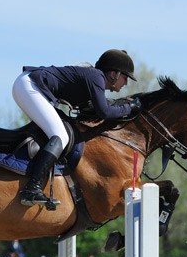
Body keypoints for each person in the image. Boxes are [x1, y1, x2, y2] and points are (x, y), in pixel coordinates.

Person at [12, 49, 142, 207]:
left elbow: (103, 107)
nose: (126, 83)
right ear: (114, 74)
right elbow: (105, 111)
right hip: (30, 86)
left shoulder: (95, 79)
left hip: (28, 85)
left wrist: (125, 106)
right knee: (60, 135)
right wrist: (130, 107)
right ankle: (31, 188)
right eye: (125, 77)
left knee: (62, 130)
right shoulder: (96, 77)